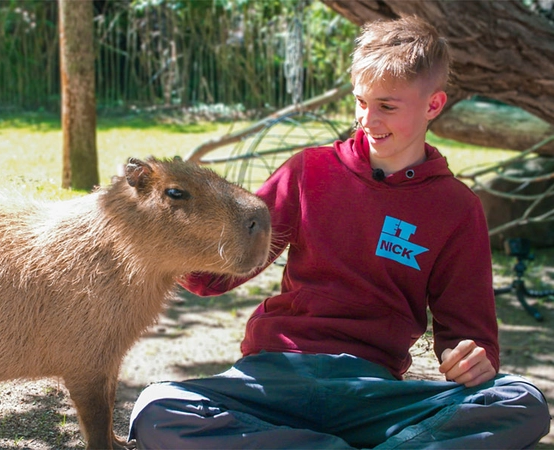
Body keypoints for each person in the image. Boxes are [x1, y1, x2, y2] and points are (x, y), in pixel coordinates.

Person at [129, 15, 550, 449]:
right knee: (157, 407)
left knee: (521, 401)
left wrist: (471, 358)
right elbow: (212, 277)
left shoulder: (458, 209)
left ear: (433, 105)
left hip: (374, 394)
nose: (367, 119)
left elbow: (470, 335)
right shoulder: (308, 170)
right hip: (276, 377)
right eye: (359, 101)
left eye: (387, 106)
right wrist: (161, 237)